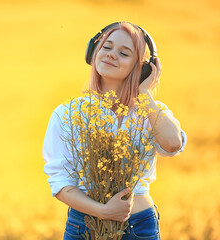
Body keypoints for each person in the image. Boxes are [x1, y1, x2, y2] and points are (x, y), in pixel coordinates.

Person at [42, 22, 187, 240]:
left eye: (124, 53)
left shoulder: (151, 112)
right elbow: (60, 182)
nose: (111, 55)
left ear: (143, 68)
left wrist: (144, 94)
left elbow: (172, 144)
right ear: (93, 53)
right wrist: (103, 211)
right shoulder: (68, 113)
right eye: (106, 47)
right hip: (84, 227)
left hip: (139, 227)